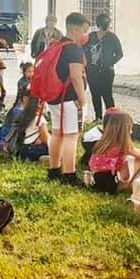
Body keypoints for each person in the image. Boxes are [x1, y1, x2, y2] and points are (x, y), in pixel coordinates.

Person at [46, 12, 90, 185]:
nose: (85, 34)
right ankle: (69, 175)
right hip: (70, 99)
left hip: (55, 98)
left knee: (57, 133)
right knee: (71, 135)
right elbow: (76, 76)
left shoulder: (58, 45)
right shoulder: (74, 50)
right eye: (84, 30)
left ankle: (54, 170)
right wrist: (83, 98)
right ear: (75, 28)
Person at [88, 109, 140, 193]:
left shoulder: (105, 142)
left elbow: (136, 151)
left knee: (133, 159)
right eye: (130, 128)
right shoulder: (124, 146)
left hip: (99, 181)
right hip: (112, 183)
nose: (131, 132)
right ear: (123, 130)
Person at [85, 12, 123, 121]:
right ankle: (98, 117)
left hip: (107, 72)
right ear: (98, 23)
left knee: (107, 95)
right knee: (95, 95)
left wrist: (110, 62)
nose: (106, 24)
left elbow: (120, 53)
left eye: (107, 22)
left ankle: (111, 118)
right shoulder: (91, 37)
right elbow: (85, 51)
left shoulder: (112, 37)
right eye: (104, 22)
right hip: (92, 72)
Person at [7, 91, 50, 161]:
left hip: (20, 150)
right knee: (55, 146)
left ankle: (37, 157)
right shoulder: (40, 119)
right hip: (32, 149)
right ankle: (42, 158)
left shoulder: (22, 115)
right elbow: (45, 139)